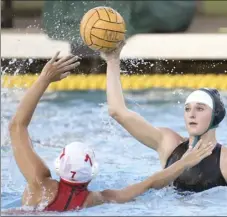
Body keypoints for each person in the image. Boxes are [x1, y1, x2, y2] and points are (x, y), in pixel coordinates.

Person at [8, 52, 215, 213]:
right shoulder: (97, 199)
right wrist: (185, 162)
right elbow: (151, 182)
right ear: (91, 174)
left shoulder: (39, 185)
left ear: (58, 165)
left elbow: (17, 126)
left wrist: (44, 78)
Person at [101, 43, 227, 193]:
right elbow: (117, 112)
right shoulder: (169, 143)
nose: (192, 114)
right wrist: (112, 61)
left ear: (216, 116)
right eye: (187, 109)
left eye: (200, 108)